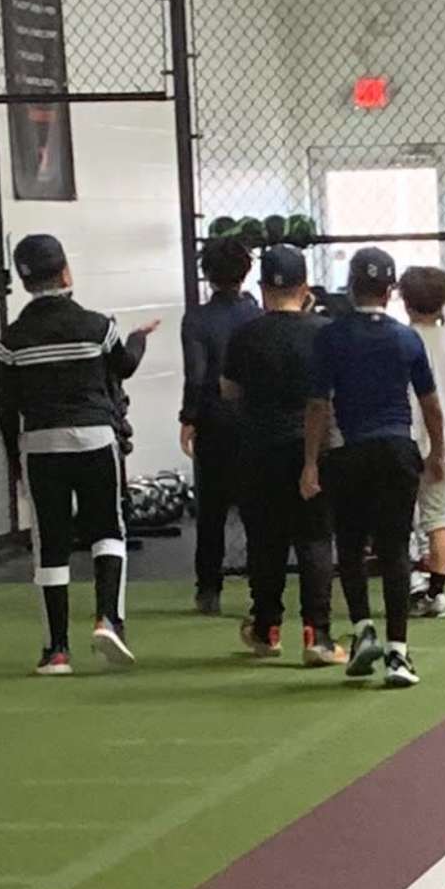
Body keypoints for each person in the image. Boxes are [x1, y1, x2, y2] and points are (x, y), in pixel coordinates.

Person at [0, 230, 154, 672]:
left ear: (25, 282)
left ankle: (56, 651)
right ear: (65, 271)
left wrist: (15, 461)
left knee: (50, 546)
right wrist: (139, 337)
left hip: (40, 445)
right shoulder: (97, 326)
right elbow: (125, 366)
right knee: (108, 530)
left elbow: (5, 408)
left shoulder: (12, 340)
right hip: (95, 439)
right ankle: (109, 619)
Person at [311, 242, 440, 685]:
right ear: (390, 291)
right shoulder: (407, 338)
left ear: (350, 288)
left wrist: (311, 462)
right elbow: (431, 403)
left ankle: (364, 630)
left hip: (350, 452)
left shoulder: (329, 336)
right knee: (394, 549)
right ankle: (399, 653)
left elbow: (318, 406)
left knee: (348, 544)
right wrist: (438, 452)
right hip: (396, 449)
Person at [224, 239, 336, 666]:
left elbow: (229, 391)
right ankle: (318, 634)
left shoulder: (245, 334)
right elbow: (331, 397)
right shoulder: (325, 333)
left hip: (258, 448)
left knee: (265, 541)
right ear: (305, 286)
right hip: (313, 448)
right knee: (314, 538)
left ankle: (267, 627)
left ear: (263, 288)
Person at [177, 234, 258, 618]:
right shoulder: (256, 314)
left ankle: (208, 588)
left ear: (206, 274)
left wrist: (188, 417)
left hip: (213, 416)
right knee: (258, 505)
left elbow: (196, 374)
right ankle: (262, 583)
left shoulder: (197, 318)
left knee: (210, 508)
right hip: (255, 415)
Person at [400, 260, 445, 618]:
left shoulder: (401, 338)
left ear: (406, 301)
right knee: (440, 516)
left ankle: (414, 584)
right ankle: (438, 593)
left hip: (406, 437)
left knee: (404, 514)